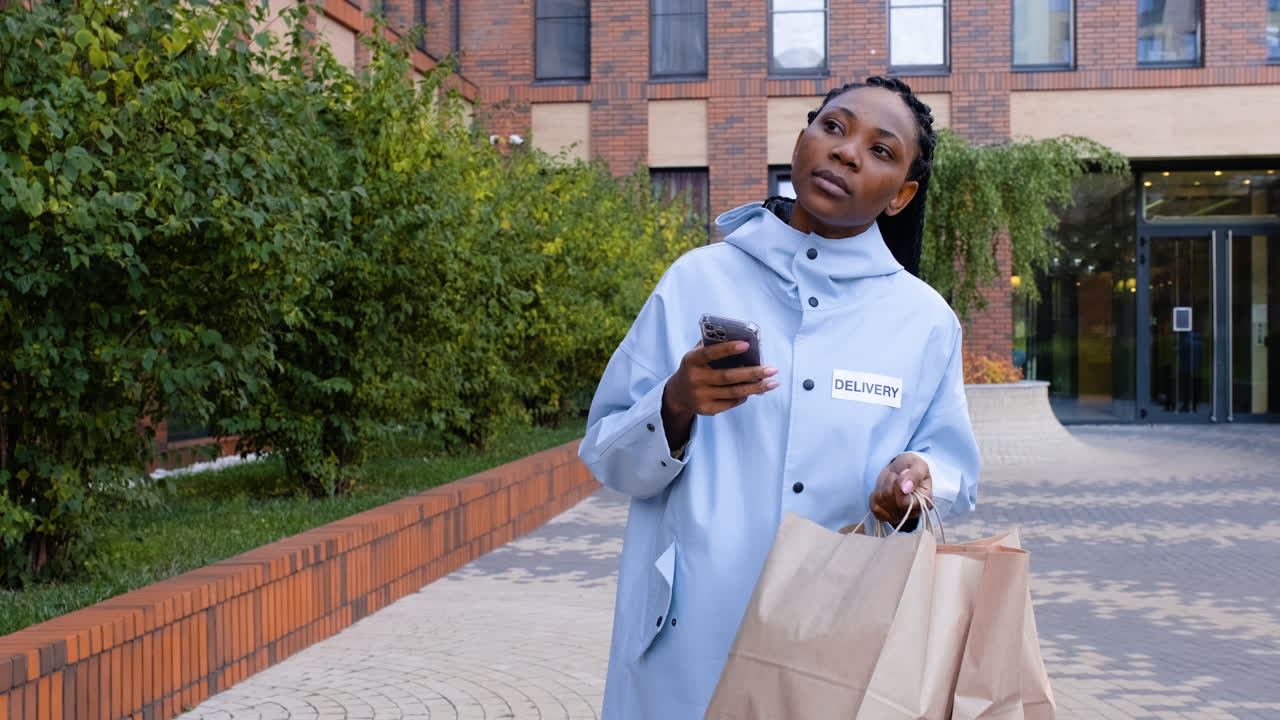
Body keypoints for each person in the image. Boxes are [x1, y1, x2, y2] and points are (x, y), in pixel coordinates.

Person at [579, 76, 981, 719]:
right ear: (802, 139)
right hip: (690, 640)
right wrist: (676, 403)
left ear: (903, 195)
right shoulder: (698, 279)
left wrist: (917, 478)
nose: (846, 152)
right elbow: (606, 454)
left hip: (836, 643)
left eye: (882, 151)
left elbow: (954, 468)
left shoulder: (925, 321)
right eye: (834, 127)